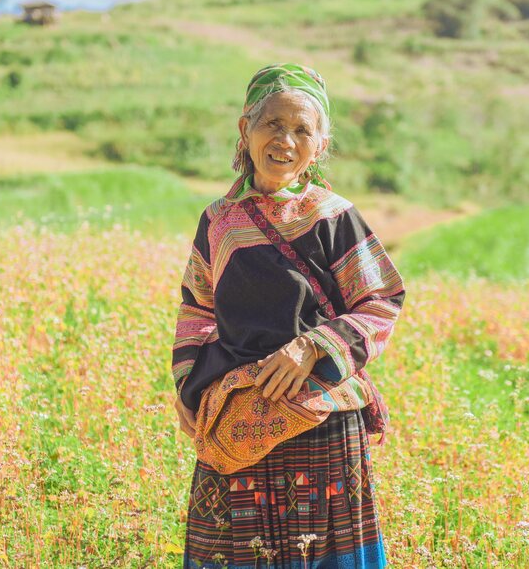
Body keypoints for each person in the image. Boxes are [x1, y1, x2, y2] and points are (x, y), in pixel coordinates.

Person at [171, 63, 406, 568]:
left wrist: (314, 346)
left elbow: (381, 301)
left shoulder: (334, 216)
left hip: (319, 418)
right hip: (235, 416)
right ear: (245, 130)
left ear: (320, 145)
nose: (286, 140)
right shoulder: (218, 221)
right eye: (273, 124)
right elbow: (197, 309)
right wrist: (188, 386)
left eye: (303, 130)